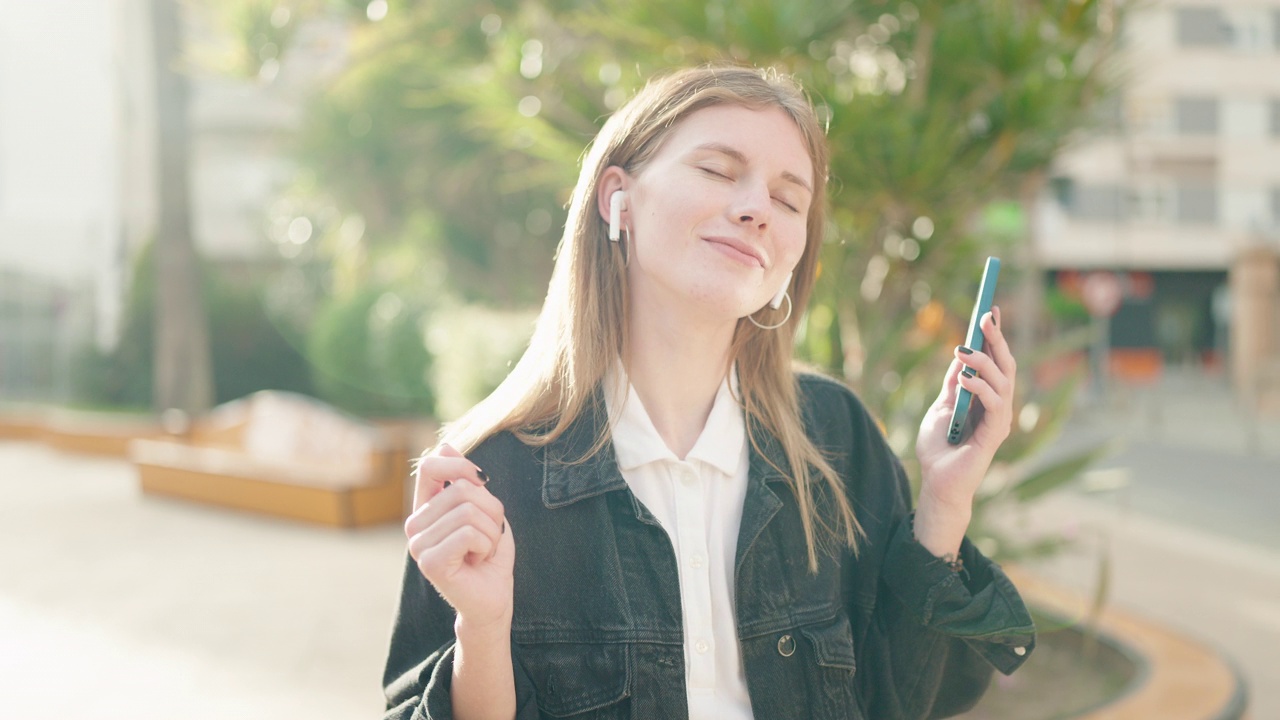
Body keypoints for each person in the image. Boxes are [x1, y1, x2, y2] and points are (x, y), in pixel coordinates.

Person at [383, 65, 1035, 720]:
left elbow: (901, 701)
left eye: (788, 200)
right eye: (719, 170)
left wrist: (946, 500)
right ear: (619, 198)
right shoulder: (494, 477)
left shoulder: (836, 440)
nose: (755, 208)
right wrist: (485, 626)